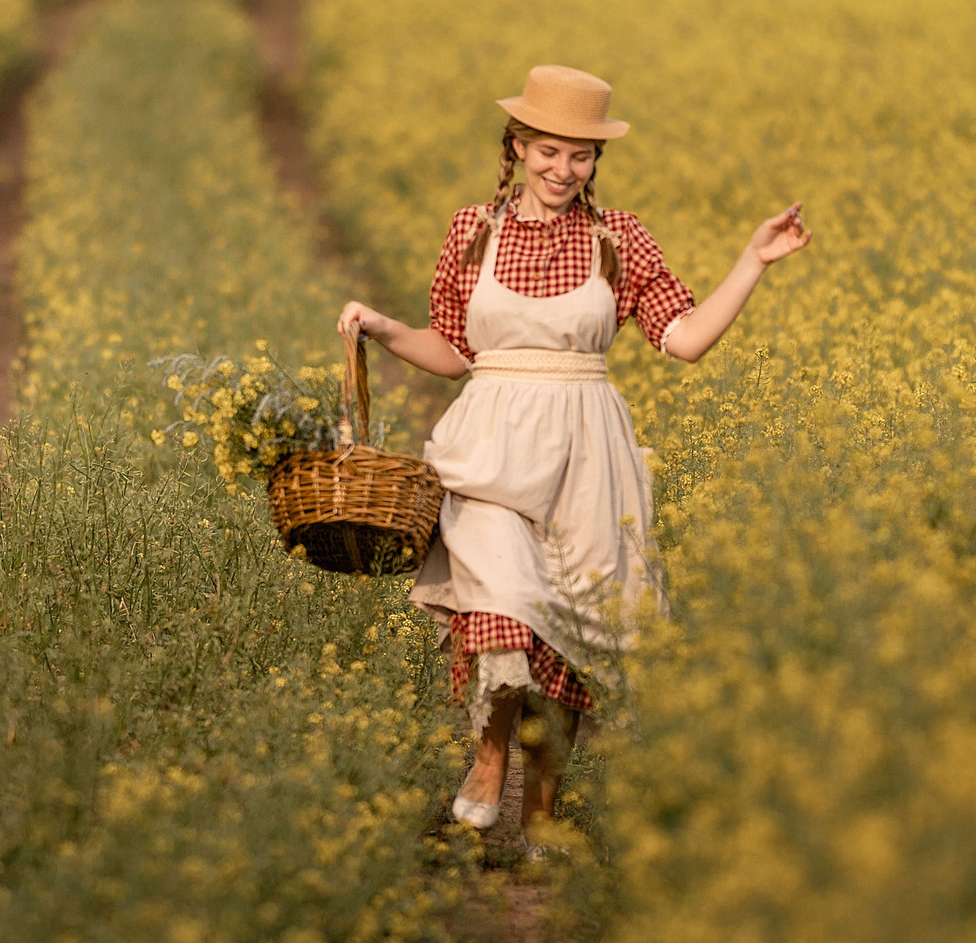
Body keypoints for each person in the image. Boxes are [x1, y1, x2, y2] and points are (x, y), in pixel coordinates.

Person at [336, 65, 809, 848]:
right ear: (519, 145)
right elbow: (455, 349)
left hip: (589, 456)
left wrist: (753, 261)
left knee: (570, 637)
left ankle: (542, 820)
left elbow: (683, 339)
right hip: (487, 448)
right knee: (500, 598)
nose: (564, 169)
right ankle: (489, 758)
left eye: (581, 155)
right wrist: (384, 329)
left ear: (596, 159)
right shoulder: (472, 231)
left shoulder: (619, 238)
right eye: (549, 150)